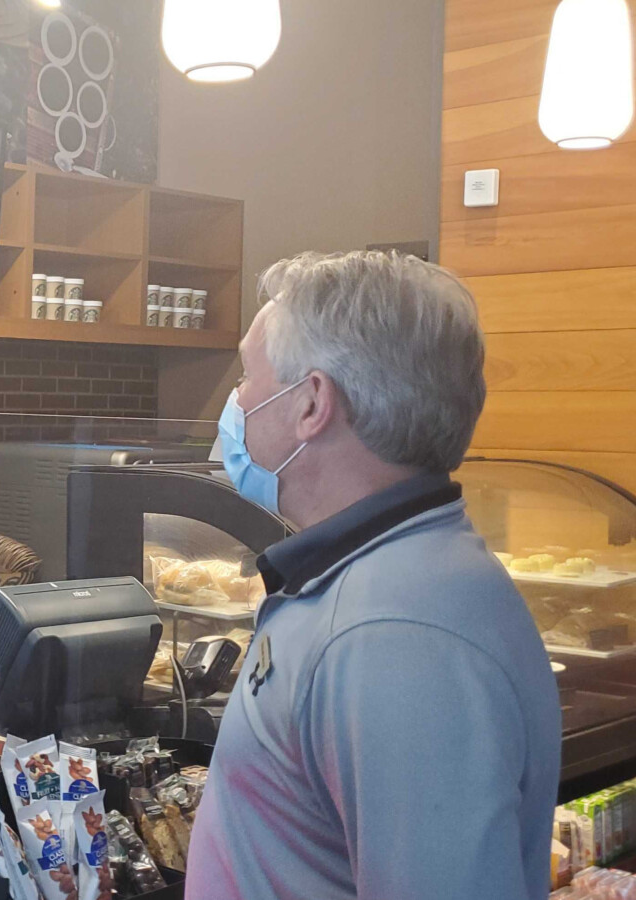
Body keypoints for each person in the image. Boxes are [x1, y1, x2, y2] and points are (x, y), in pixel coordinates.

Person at [185, 251, 561, 899]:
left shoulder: (396, 636)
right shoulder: (377, 581)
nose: (237, 403)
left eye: (246, 378)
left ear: (312, 403)